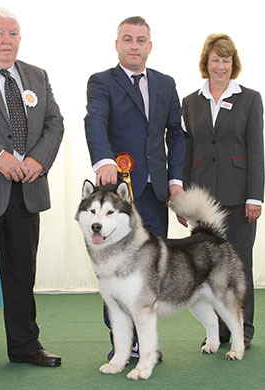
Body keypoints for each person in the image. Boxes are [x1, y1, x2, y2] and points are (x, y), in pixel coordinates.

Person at [0, 8, 64, 377]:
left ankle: (24, 346)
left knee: (22, 273)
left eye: (13, 33)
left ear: (20, 39)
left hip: (27, 192)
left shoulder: (36, 75)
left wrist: (39, 160)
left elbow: (55, 122)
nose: (7, 40)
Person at [84, 16, 186, 360]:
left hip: (155, 193)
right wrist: (103, 160)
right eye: (127, 39)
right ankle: (121, 345)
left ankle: (146, 346)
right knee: (115, 272)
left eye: (140, 40)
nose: (134, 46)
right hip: (116, 196)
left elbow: (176, 132)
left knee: (150, 273)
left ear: (150, 46)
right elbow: (94, 119)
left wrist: (175, 180)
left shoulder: (166, 83)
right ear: (117, 44)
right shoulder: (101, 82)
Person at [182, 33, 264, 351]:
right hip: (203, 201)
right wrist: (184, 201)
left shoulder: (250, 98)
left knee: (238, 263)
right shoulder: (190, 102)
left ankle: (244, 326)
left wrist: (255, 196)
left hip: (239, 196)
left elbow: (256, 150)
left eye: (226, 60)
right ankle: (219, 331)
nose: (220, 66)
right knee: (208, 265)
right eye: (215, 59)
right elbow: (187, 152)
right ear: (206, 63)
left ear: (234, 64)